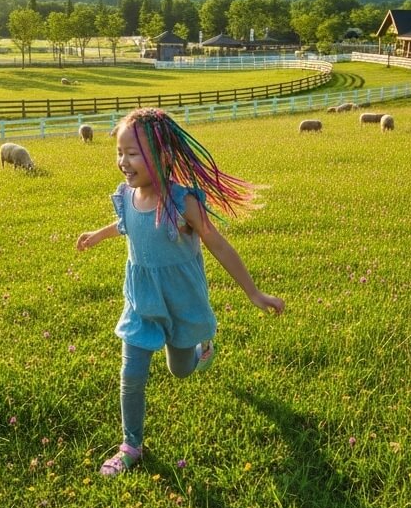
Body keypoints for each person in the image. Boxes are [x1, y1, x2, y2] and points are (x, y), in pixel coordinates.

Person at [76, 107, 285, 476]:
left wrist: (254, 293)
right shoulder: (126, 195)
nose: (123, 161)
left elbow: (217, 244)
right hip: (141, 302)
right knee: (132, 373)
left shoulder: (182, 201)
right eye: (119, 153)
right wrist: (97, 235)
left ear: (164, 156)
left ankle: (201, 351)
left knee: (181, 370)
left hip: (181, 301)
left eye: (132, 153)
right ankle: (131, 445)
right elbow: (125, 224)